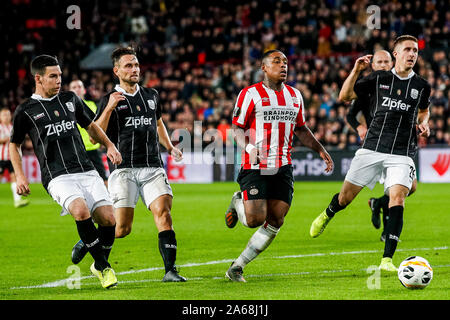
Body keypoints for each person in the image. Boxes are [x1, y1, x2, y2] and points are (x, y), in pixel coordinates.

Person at [310, 35, 431, 272]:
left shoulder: (422, 85)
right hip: (372, 148)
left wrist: (424, 122)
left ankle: (387, 260)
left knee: (398, 198)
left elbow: (424, 111)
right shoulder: (378, 78)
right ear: (396, 54)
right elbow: (344, 97)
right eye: (407, 49)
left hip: (402, 152)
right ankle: (328, 213)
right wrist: (355, 70)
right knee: (345, 198)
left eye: (415, 50)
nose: (412, 54)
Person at [70, 47, 186, 282]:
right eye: (128, 66)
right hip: (123, 168)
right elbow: (94, 136)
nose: (134, 69)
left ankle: (170, 271)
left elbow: (158, 123)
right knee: (122, 228)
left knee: (163, 212)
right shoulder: (108, 99)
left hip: (153, 166)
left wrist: (170, 147)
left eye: (136, 65)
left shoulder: (151, 95)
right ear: (116, 71)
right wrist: (111, 106)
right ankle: (89, 239)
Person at [9, 54, 122, 288]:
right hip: (57, 175)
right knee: (80, 211)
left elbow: (91, 126)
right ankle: (105, 267)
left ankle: (95, 260)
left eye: (60, 75)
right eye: (53, 76)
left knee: (109, 220)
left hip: (86, 169)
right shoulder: (26, 110)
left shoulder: (71, 99)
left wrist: (109, 145)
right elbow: (14, 144)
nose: (59, 80)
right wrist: (20, 175)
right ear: (38, 78)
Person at [225, 49, 333, 282]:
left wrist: (320, 149)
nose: (283, 65)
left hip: (283, 165)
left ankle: (237, 266)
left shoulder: (295, 96)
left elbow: (301, 129)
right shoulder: (250, 94)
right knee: (254, 219)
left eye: (285, 62)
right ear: (263, 67)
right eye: (276, 61)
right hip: (255, 164)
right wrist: (250, 148)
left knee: (276, 220)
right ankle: (237, 200)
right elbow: (236, 128)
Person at [340, 50, 417, 241]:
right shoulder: (368, 87)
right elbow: (350, 112)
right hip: (376, 144)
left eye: (386, 61)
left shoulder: (403, 85)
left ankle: (378, 204)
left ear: (392, 63)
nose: (383, 65)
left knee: (411, 187)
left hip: (400, 143)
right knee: (397, 192)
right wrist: (358, 126)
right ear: (373, 65)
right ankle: (388, 233)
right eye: (379, 62)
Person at [69, 80, 108, 186]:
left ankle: (111, 201)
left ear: (84, 90)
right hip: (75, 150)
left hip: (92, 149)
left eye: (79, 86)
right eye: (74, 87)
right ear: (69, 91)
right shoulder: (66, 108)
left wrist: (101, 140)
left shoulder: (91, 105)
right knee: (78, 182)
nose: (77, 89)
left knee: (103, 179)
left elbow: (98, 125)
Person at [0, 107, 30, 208]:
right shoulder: (0, 127)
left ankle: (17, 201)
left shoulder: (12, 127)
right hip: (1, 158)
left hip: (11, 158)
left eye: (8, 114)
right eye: (4, 115)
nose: (6, 117)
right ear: (0, 117)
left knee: (14, 178)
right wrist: (8, 139)